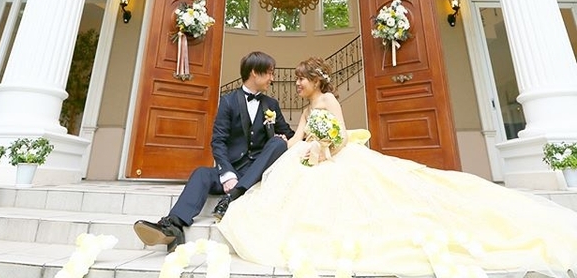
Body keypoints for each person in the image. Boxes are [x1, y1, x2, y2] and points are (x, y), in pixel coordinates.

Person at [218, 57, 577, 277]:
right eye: (297, 79)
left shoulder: (328, 100)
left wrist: (323, 149)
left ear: (316, 80)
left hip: (336, 159)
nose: (296, 84)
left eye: (301, 79)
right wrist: (280, 147)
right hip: (310, 158)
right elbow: (296, 138)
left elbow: (340, 137)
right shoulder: (307, 109)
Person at [133, 50, 294, 253]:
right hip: (233, 170)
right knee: (201, 173)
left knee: (278, 143)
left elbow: (290, 134)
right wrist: (227, 173)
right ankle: (172, 225)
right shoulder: (228, 101)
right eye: (269, 72)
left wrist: (316, 137)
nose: (272, 78)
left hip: (257, 172)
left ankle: (232, 197)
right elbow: (218, 141)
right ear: (255, 72)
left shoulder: (271, 105)